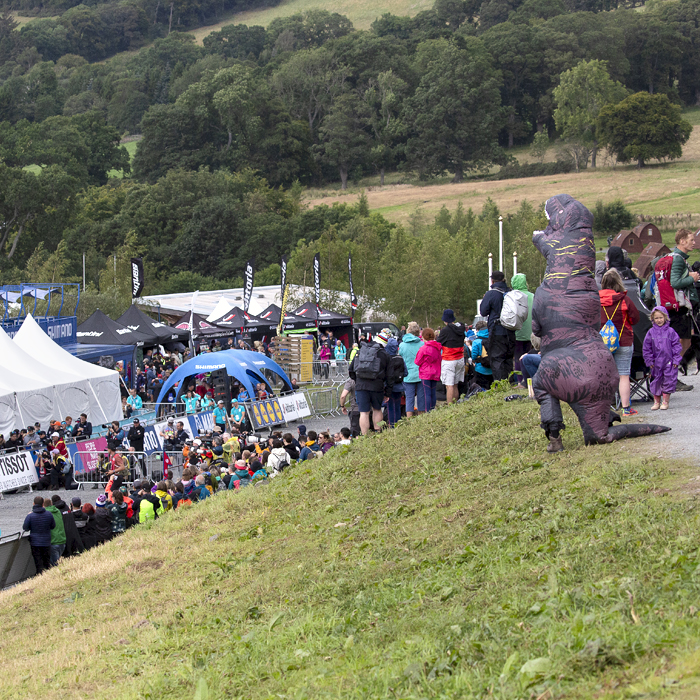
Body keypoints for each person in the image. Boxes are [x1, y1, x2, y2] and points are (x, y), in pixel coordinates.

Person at [599, 268, 640, 415]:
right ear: (618, 282)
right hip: (624, 340)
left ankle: (602, 408)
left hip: (602, 343)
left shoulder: (596, 301)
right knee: (623, 375)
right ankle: (626, 408)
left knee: (603, 375)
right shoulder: (624, 300)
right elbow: (635, 319)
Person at [668, 229, 700, 373]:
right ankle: (669, 372)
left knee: (686, 341)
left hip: (681, 307)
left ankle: (672, 371)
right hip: (679, 307)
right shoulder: (678, 259)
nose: (694, 243)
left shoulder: (679, 258)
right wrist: (691, 278)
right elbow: (674, 282)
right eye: (691, 240)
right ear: (682, 241)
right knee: (681, 342)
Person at [348, 330, 390, 435]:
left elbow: (351, 370)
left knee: (364, 412)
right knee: (377, 410)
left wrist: (358, 381)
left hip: (361, 386)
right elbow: (389, 375)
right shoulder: (384, 354)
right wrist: (387, 391)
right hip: (377, 386)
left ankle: (365, 436)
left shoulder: (361, 350)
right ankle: (378, 432)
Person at [643, 306, 683, 410]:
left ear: (665, 317)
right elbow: (646, 348)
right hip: (656, 362)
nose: (659, 320)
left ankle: (665, 401)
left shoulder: (671, 331)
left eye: (661, 317)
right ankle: (656, 401)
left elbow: (677, 346)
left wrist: (676, 359)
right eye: (656, 318)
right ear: (652, 319)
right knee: (656, 381)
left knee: (669, 380)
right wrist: (649, 360)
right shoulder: (650, 332)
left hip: (669, 361)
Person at [480, 271, 516, 381]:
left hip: (497, 331)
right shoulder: (511, 292)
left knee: (497, 359)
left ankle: (501, 386)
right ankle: (511, 383)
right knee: (508, 358)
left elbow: (483, 312)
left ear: (492, 280)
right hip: (511, 330)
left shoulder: (492, 294)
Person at [436, 309, 466, 404]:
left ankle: (450, 407)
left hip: (449, 360)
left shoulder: (445, 330)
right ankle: (455, 404)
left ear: (445, 320)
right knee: (455, 384)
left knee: (449, 385)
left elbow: (438, 342)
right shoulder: (461, 328)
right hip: (460, 358)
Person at [511, 274, 534, 385]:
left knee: (517, 358)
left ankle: (520, 381)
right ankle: (529, 379)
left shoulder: (512, 297)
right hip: (532, 333)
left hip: (517, 332)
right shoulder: (533, 296)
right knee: (529, 355)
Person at [23, 495, 55, 574]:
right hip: (46, 542)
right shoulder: (49, 514)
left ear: (33, 504)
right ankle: (48, 576)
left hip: (35, 542)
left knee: (38, 563)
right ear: (43, 504)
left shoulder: (30, 516)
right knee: (47, 562)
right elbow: (53, 526)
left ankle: (40, 576)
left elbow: (25, 528)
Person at [399, 321, 425, 416]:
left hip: (408, 375)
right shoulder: (422, 344)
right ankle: (421, 419)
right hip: (420, 374)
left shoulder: (402, 345)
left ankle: (409, 421)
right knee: (421, 399)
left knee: (409, 399)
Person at [414, 328, 442, 412]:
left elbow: (417, 361)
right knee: (433, 392)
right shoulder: (438, 347)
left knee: (427, 393)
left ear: (424, 337)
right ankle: (432, 410)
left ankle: (427, 411)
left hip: (425, 373)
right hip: (436, 372)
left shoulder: (423, 348)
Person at [385, 337, 407, 427]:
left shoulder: (386, 359)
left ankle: (392, 425)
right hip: (399, 386)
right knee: (397, 406)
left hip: (389, 387)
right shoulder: (400, 358)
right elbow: (405, 372)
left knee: (390, 407)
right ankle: (398, 424)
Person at [470, 321, 493, 390]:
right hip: (492, 368)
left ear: (477, 330)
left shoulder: (476, 341)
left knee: (481, 389)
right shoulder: (492, 339)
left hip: (480, 368)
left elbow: (473, 356)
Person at [45, 497, 66, 566]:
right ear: (51, 503)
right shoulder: (57, 511)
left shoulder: (46, 514)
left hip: (54, 541)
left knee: (55, 564)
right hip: (62, 539)